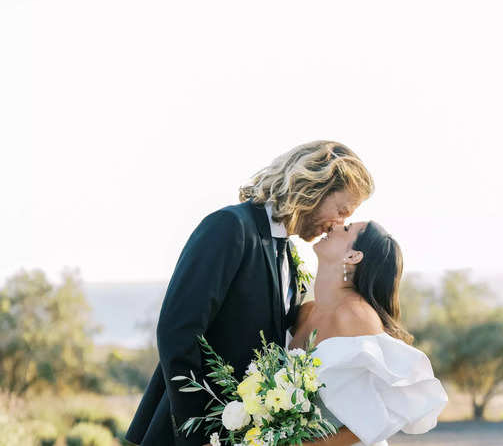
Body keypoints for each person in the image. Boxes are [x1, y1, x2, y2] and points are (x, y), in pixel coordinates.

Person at [125, 141, 374, 446]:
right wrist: (198, 435)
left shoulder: (289, 257)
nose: (337, 225)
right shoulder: (230, 228)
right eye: (341, 210)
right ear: (314, 187)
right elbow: (177, 332)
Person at [290, 221, 449, 446]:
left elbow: (384, 412)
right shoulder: (306, 312)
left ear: (353, 257)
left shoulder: (355, 316)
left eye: (346, 229)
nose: (333, 226)